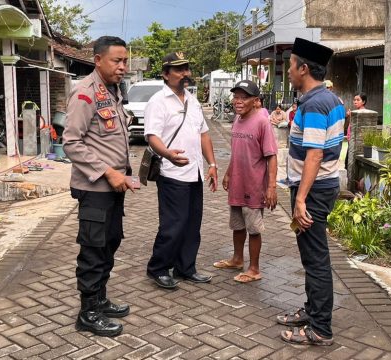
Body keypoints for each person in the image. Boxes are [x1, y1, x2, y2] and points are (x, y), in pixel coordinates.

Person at [276, 38, 345, 346]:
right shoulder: (329, 99)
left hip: (314, 190)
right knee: (311, 256)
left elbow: (314, 154)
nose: (288, 71)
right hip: (320, 187)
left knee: (315, 259)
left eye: (291, 65)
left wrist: (300, 199)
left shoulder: (316, 103)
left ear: (304, 69)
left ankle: (320, 328)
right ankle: (313, 311)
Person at [63, 36, 133, 338]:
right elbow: (71, 143)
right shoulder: (85, 94)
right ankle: (88, 312)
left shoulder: (113, 91)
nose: (123, 66)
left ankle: (100, 299)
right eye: (117, 60)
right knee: (93, 250)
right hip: (95, 189)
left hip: (113, 188)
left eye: (125, 61)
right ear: (98, 60)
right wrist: (108, 171)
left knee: (110, 243)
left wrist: (122, 174)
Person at [144, 52, 218, 290]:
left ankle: (186, 268)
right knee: (173, 224)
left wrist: (212, 165)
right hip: (172, 173)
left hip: (194, 172)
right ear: (166, 74)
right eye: (178, 69)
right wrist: (167, 155)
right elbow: (151, 136)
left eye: (186, 68)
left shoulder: (193, 101)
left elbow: (204, 133)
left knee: (192, 223)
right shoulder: (158, 101)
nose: (185, 73)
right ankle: (158, 268)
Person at [213, 80, 278, 283]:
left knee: (253, 228)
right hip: (237, 184)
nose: (238, 102)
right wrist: (228, 173)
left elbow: (271, 156)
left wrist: (271, 187)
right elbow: (237, 152)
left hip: (254, 185)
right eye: (236, 97)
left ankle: (254, 269)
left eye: (244, 98)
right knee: (237, 224)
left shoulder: (262, 122)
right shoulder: (237, 120)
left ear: (256, 101)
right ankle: (237, 259)